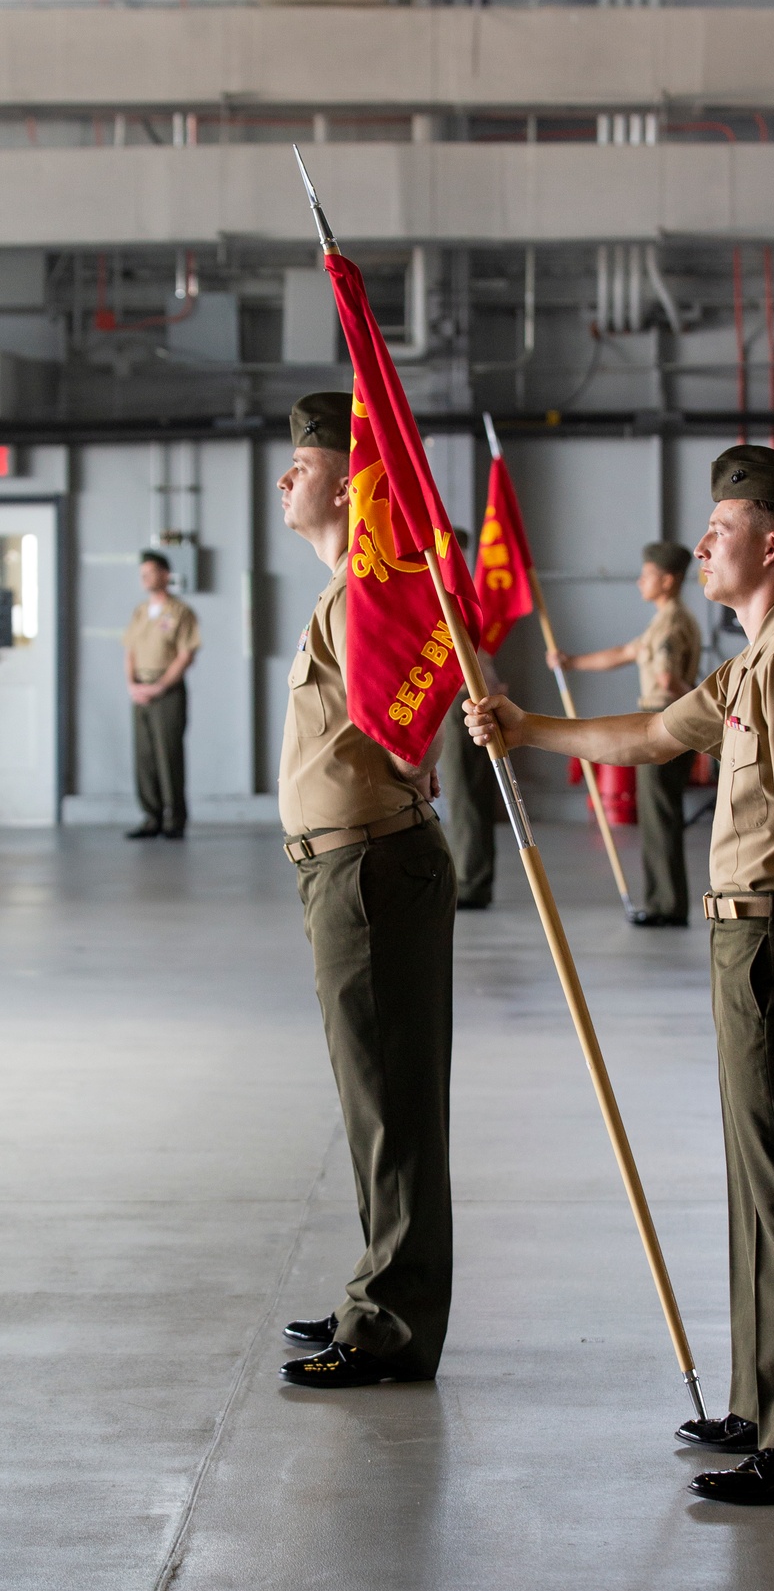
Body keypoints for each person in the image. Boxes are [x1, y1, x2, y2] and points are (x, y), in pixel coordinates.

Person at [466, 445, 774, 1506]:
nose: (702, 543)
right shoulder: (750, 661)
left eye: (721, 527)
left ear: (773, 545)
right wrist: (527, 730)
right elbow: (651, 732)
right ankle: (767, 1400)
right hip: (749, 941)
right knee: (756, 1186)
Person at [275, 392, 457, 1387]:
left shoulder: (364, 597)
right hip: (346, 868)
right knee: (371, 1102)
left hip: (370, 867)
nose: (282, 482)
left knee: (392, 1101)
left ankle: (391, 1319)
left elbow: (407, 719)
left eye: (297, 467)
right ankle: (377, 1291)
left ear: (345, 482)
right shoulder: (341, 595)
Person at [548, 542, 701, 926]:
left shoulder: (673, 623)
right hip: (669, 717)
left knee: (660, 814)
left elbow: (668, 679)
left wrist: (699, 716)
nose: (640, 582)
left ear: (667, 581)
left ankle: (667, 905)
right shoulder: (664, 620)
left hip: (663, 719)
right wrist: (571, 662)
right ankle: (661, 900)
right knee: (655, 813)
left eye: (647, 575)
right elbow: (622, 653)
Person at [438, 530, 503, 910]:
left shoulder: (453, 596)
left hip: (465, 700)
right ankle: (472, 876)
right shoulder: (459, 594)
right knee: (466, 795)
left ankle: (472, 881)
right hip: (467, 698)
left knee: (467, 796)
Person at [122, 550, 200, 840]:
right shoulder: (140, 612)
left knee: (168, 754)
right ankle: (151, 816)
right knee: (145, 756)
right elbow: (129, 651)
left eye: (150, 571)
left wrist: (160, 686)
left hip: (166, 691)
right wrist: (133, 685)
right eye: (142, 572)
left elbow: (185, 655)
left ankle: (174, 818)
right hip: (140, 690)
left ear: (165, 575)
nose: (145, 577)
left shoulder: (180, 612)